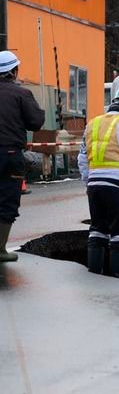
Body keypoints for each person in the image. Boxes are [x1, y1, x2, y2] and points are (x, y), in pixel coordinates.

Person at [77, 86, 119, 278]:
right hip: (117, 184)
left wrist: (88, 181)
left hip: (94, 185)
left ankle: (95, 274)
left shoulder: (93, 123)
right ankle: (117, 278)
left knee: (98, 229)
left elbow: (82, 159)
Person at [0, 51, 45, 262]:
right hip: (10, 154)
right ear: (13, 71)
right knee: (7, 200)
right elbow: (35, 122)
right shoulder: (21, 94)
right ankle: (0, 249)